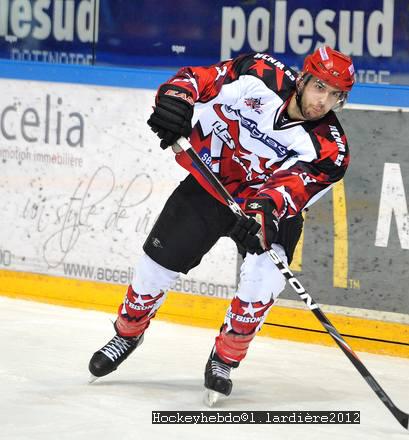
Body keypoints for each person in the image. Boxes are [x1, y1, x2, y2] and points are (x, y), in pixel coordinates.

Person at [88, 46, 355, 401]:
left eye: (335, 95)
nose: (323, 101)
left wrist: (262, 213)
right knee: (154, 267)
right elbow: (199, 81)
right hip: (209, 187)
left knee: (262, 285)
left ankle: (225, 359)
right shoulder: (260, 73)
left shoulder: (330, 151)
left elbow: (291, 190)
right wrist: (177, 99)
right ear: (303, 78)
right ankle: (127, 332)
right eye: (319, 87)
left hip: (267, 214)